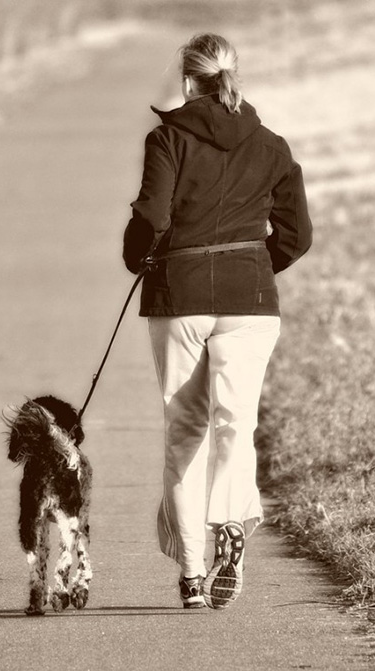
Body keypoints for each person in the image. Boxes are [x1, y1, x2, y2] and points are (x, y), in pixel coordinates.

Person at [123, 33, 312, 610]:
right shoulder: (273, 145)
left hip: (179, 297)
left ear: (187, 79)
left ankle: (192, 576)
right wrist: (253, 265)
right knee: (236, 423)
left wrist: (140, 260)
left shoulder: (168, 138)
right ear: (234, 76)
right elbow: (297, 235)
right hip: (249, 298)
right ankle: (231, 520)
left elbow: (152, 217)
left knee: (185, 432)